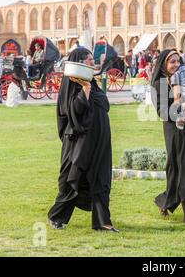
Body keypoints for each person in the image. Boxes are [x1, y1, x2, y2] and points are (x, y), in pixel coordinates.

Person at [47, 47, 119, 233]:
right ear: (78, 62)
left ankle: (103, 222)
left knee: (101, 179)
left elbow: (105, 105)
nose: (92, 62)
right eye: (87, 59)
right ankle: (57, 216)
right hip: (80, 142)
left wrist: (89, 87)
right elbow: (72, 112)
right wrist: (84, 89)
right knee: (74, 178)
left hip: (100, 141)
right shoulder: (71, 86)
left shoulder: (93, 84)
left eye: (91, 59)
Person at [150, 49, 185, 227]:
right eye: (171, 62)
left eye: (178, 61)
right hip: (175, 132)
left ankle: (165, 201)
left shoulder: (184, 78)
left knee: (182, 170)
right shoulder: (159, 84)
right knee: (184, 169)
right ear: (164, 64)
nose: (176, 65)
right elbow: (163, 112)